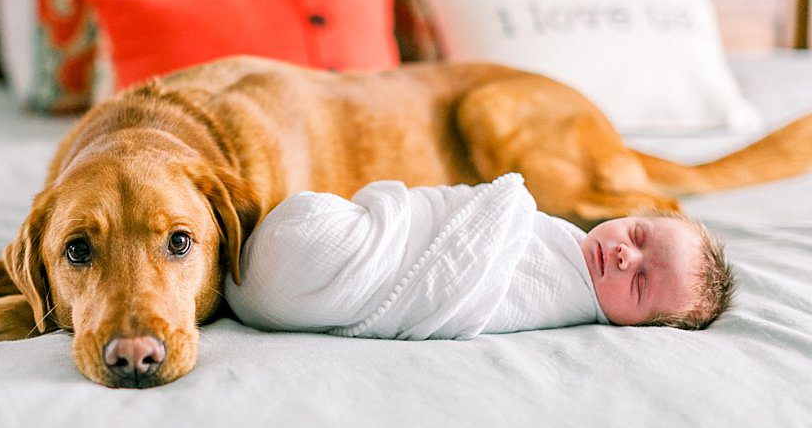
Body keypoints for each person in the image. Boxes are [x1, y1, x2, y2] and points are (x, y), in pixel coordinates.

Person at [224, 173, 734, 340]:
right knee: (325, 233)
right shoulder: (566, 239)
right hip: (384, 237)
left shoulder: (564, 296)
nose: (626, 256)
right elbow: (444, 215)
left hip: (354, 269)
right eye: (639, 234)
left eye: (641, 283)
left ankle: (297, 269)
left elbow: (474, 286)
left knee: (309, 244)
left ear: (639, 327)